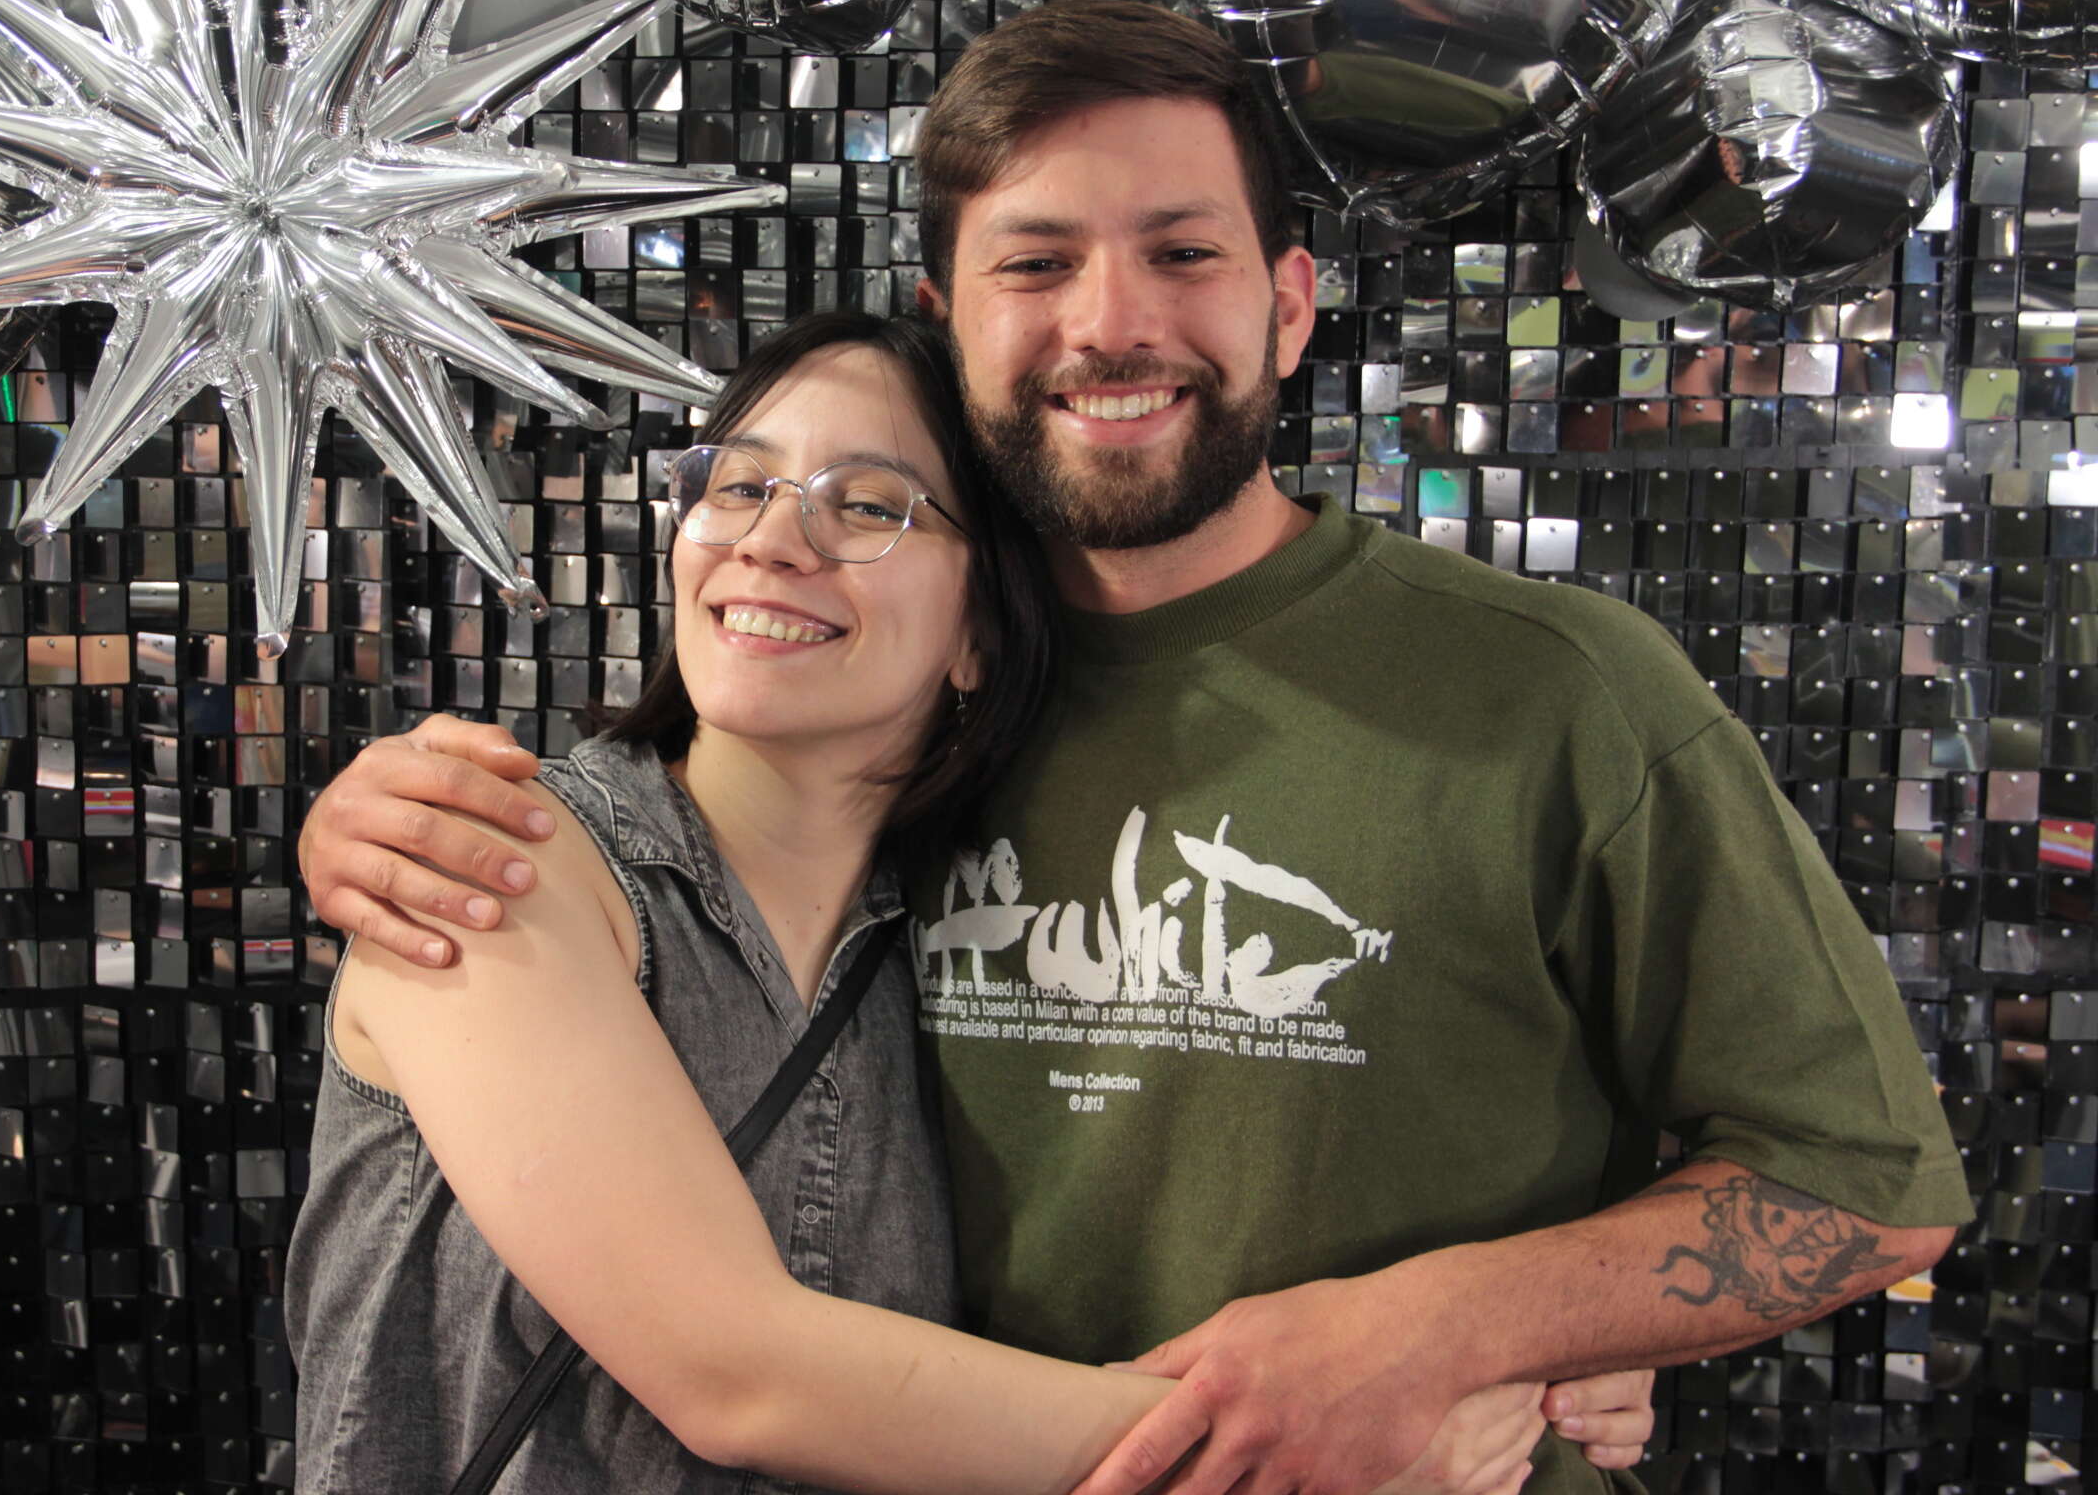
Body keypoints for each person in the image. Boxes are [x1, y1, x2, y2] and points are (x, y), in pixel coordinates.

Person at [300, 0, 1965, 1495]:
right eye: (1035, 265)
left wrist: (1457, 1334)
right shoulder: (900, 738)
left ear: (1289, 305)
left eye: (1182, 253)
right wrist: (365, 826)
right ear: (952, 315)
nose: (1111, 323)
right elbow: (739, 1326)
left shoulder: (1559, 690)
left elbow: (1867, 1188)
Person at [285, 310, 1607, 1495]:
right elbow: (736, 1373)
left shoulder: (969, 963)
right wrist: (1325, 1445)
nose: (772, 540)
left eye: (869, 506)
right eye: (737, 486)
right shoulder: (493, 856)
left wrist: (1525, 1360)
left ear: (981, 630)